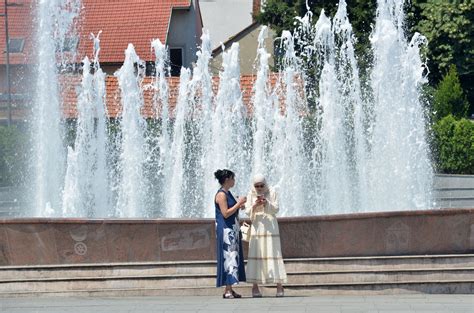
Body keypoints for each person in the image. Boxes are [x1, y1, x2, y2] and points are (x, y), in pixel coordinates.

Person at [244, 174, 287, 297]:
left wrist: (266, 202)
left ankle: (279, 286)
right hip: (257, 227)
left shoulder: (272, 191)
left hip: (270, 228)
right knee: (256, 254)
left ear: (265, 184)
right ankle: (255, 287)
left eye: (261, 185)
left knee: (274, 253)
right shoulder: (251, 193)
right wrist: (255, 205)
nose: (259, 188)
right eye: (256, 186)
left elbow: (276, 208)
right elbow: (247, 211)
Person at [214, 169, 247, 299]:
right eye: (233, 178)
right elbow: (225, 213)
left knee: (232, 257)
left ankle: (230, 289)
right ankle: (227, 290)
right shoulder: (221, 195)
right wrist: (238, 204)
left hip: (232, 229)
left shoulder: (228, 193)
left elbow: (233, 210)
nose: (234, 181)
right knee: (228, 257)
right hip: (226, 230)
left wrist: (240, 206)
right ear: (227, 180)